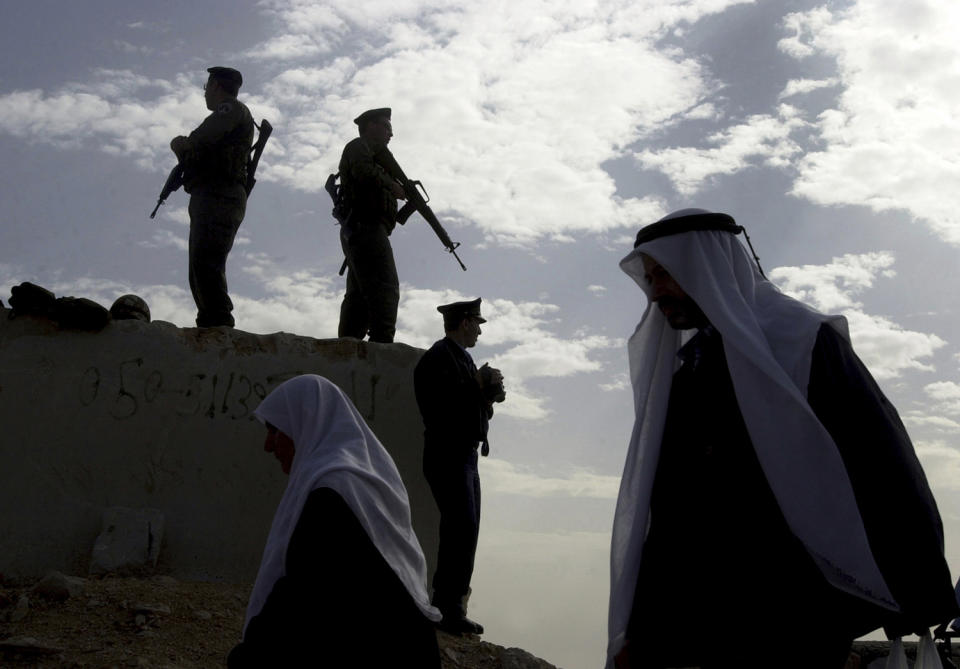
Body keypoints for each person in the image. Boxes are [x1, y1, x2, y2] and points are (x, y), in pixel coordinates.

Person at [608, 209, 959, 668]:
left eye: (666, 275)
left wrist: (917, 586)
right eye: (650, 279)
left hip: (797, 604)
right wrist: (645, 628)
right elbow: (673, 503)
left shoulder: (803, 343)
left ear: (709, 268)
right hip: (705, 607)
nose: (656, 293)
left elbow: (881, 462)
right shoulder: (691, 367)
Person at [228, 375, 442, 667]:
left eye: (274, 430)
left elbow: (301, 597)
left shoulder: (332, 494)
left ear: (305, 423)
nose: (268, 445)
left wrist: (247, 655)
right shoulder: (358, 479)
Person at [414, 298, 505, 635]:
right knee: (460, 529)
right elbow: (441, 406)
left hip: (464, 456)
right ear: (465, 322)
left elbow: (467, 406)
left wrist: (487, 395)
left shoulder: (461, 359)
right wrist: (478, 386)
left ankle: (451, 605)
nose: (480, 330)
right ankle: (447, 607)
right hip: (448, 455)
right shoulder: (438, 358)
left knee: (466, 531)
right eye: (477, 323)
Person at [170, 66, 253, 328]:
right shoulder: (230, 111)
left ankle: (218, 321)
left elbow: (200, 139)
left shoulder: (230, 109)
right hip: (212, 193)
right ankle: (210, 320)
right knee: (200, 265)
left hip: (220, 193)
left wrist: (180, 144)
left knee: (207, 261)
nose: (205, 93)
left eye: (207, 87)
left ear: (216, 86)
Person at [337, 107, 407, 343]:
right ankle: (381, 342)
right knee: (386, 287)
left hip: (364, 228)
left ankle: (349, 343)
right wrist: (392, 185)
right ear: (371, 126)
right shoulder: (358, 147)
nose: (391, 134)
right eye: (387, 127)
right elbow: (363, 171)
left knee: (358, 294)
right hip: (364, 226)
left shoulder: (377, 157)